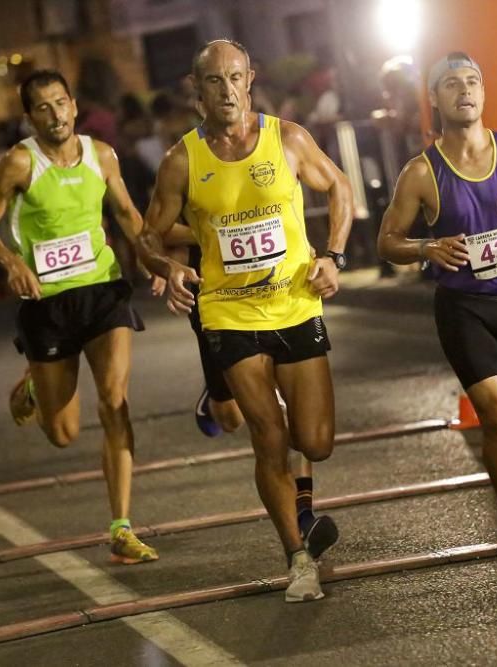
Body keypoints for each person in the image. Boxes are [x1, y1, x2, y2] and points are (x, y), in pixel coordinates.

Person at [139, 40, 353, 602]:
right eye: (214, 81)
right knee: (268, 437)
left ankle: (296, 502)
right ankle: (297, 557)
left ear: (251, 79)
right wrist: (166, 265)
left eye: (235, 77)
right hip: (229, 314)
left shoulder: (289, 138)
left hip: (295, 303)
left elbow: (339, 188)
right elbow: (147, 233)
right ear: (198, 89)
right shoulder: (182, 160)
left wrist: (333, 255)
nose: (227, 90)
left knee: (317, 440)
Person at [378, 52, 497, 559]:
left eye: (473, 81)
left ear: (483, 92)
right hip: (464, 309)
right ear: (434, 99)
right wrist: (424, 248)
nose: (465, 90)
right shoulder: (421, 173)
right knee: (496, 416)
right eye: (452, 84)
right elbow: (387, 241)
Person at [0, 69, 157, 565]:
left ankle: (121, 526)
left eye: (61, 104)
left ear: (74, 104)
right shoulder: (18, 164)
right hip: (47, 304)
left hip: (102, 291)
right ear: (30, 117)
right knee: (62, 432)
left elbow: (127, 216)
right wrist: (11, 263)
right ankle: (34, 385)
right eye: (43, 108)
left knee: (115, 401)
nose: (55, 115)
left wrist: (157, 263)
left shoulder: (103, 155)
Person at [151, 225, 339, 565]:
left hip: (283, 297)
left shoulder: (279, 169)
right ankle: (215, 395)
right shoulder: (187, 170)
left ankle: (303, 515)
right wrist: (214, 231)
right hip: (220, 301)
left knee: (289, 416)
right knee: (230, 417)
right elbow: (159, 231)